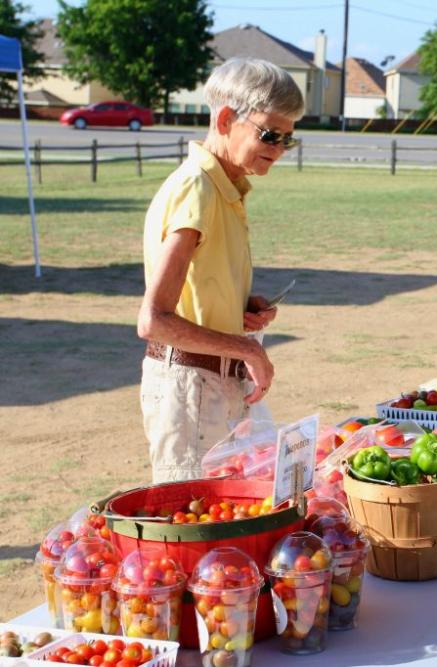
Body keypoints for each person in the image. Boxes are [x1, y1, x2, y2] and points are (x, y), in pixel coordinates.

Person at [137, 58, 305, 483]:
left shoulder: (224, 187)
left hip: (216, 383)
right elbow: (154, 320)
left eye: (288, 139)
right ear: (226, 118)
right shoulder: (198, 188)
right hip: (192, 389)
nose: (278, 149)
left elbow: (197, 289)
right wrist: (248, 348)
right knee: (200, 531)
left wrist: (239, 309)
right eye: (269, 134)